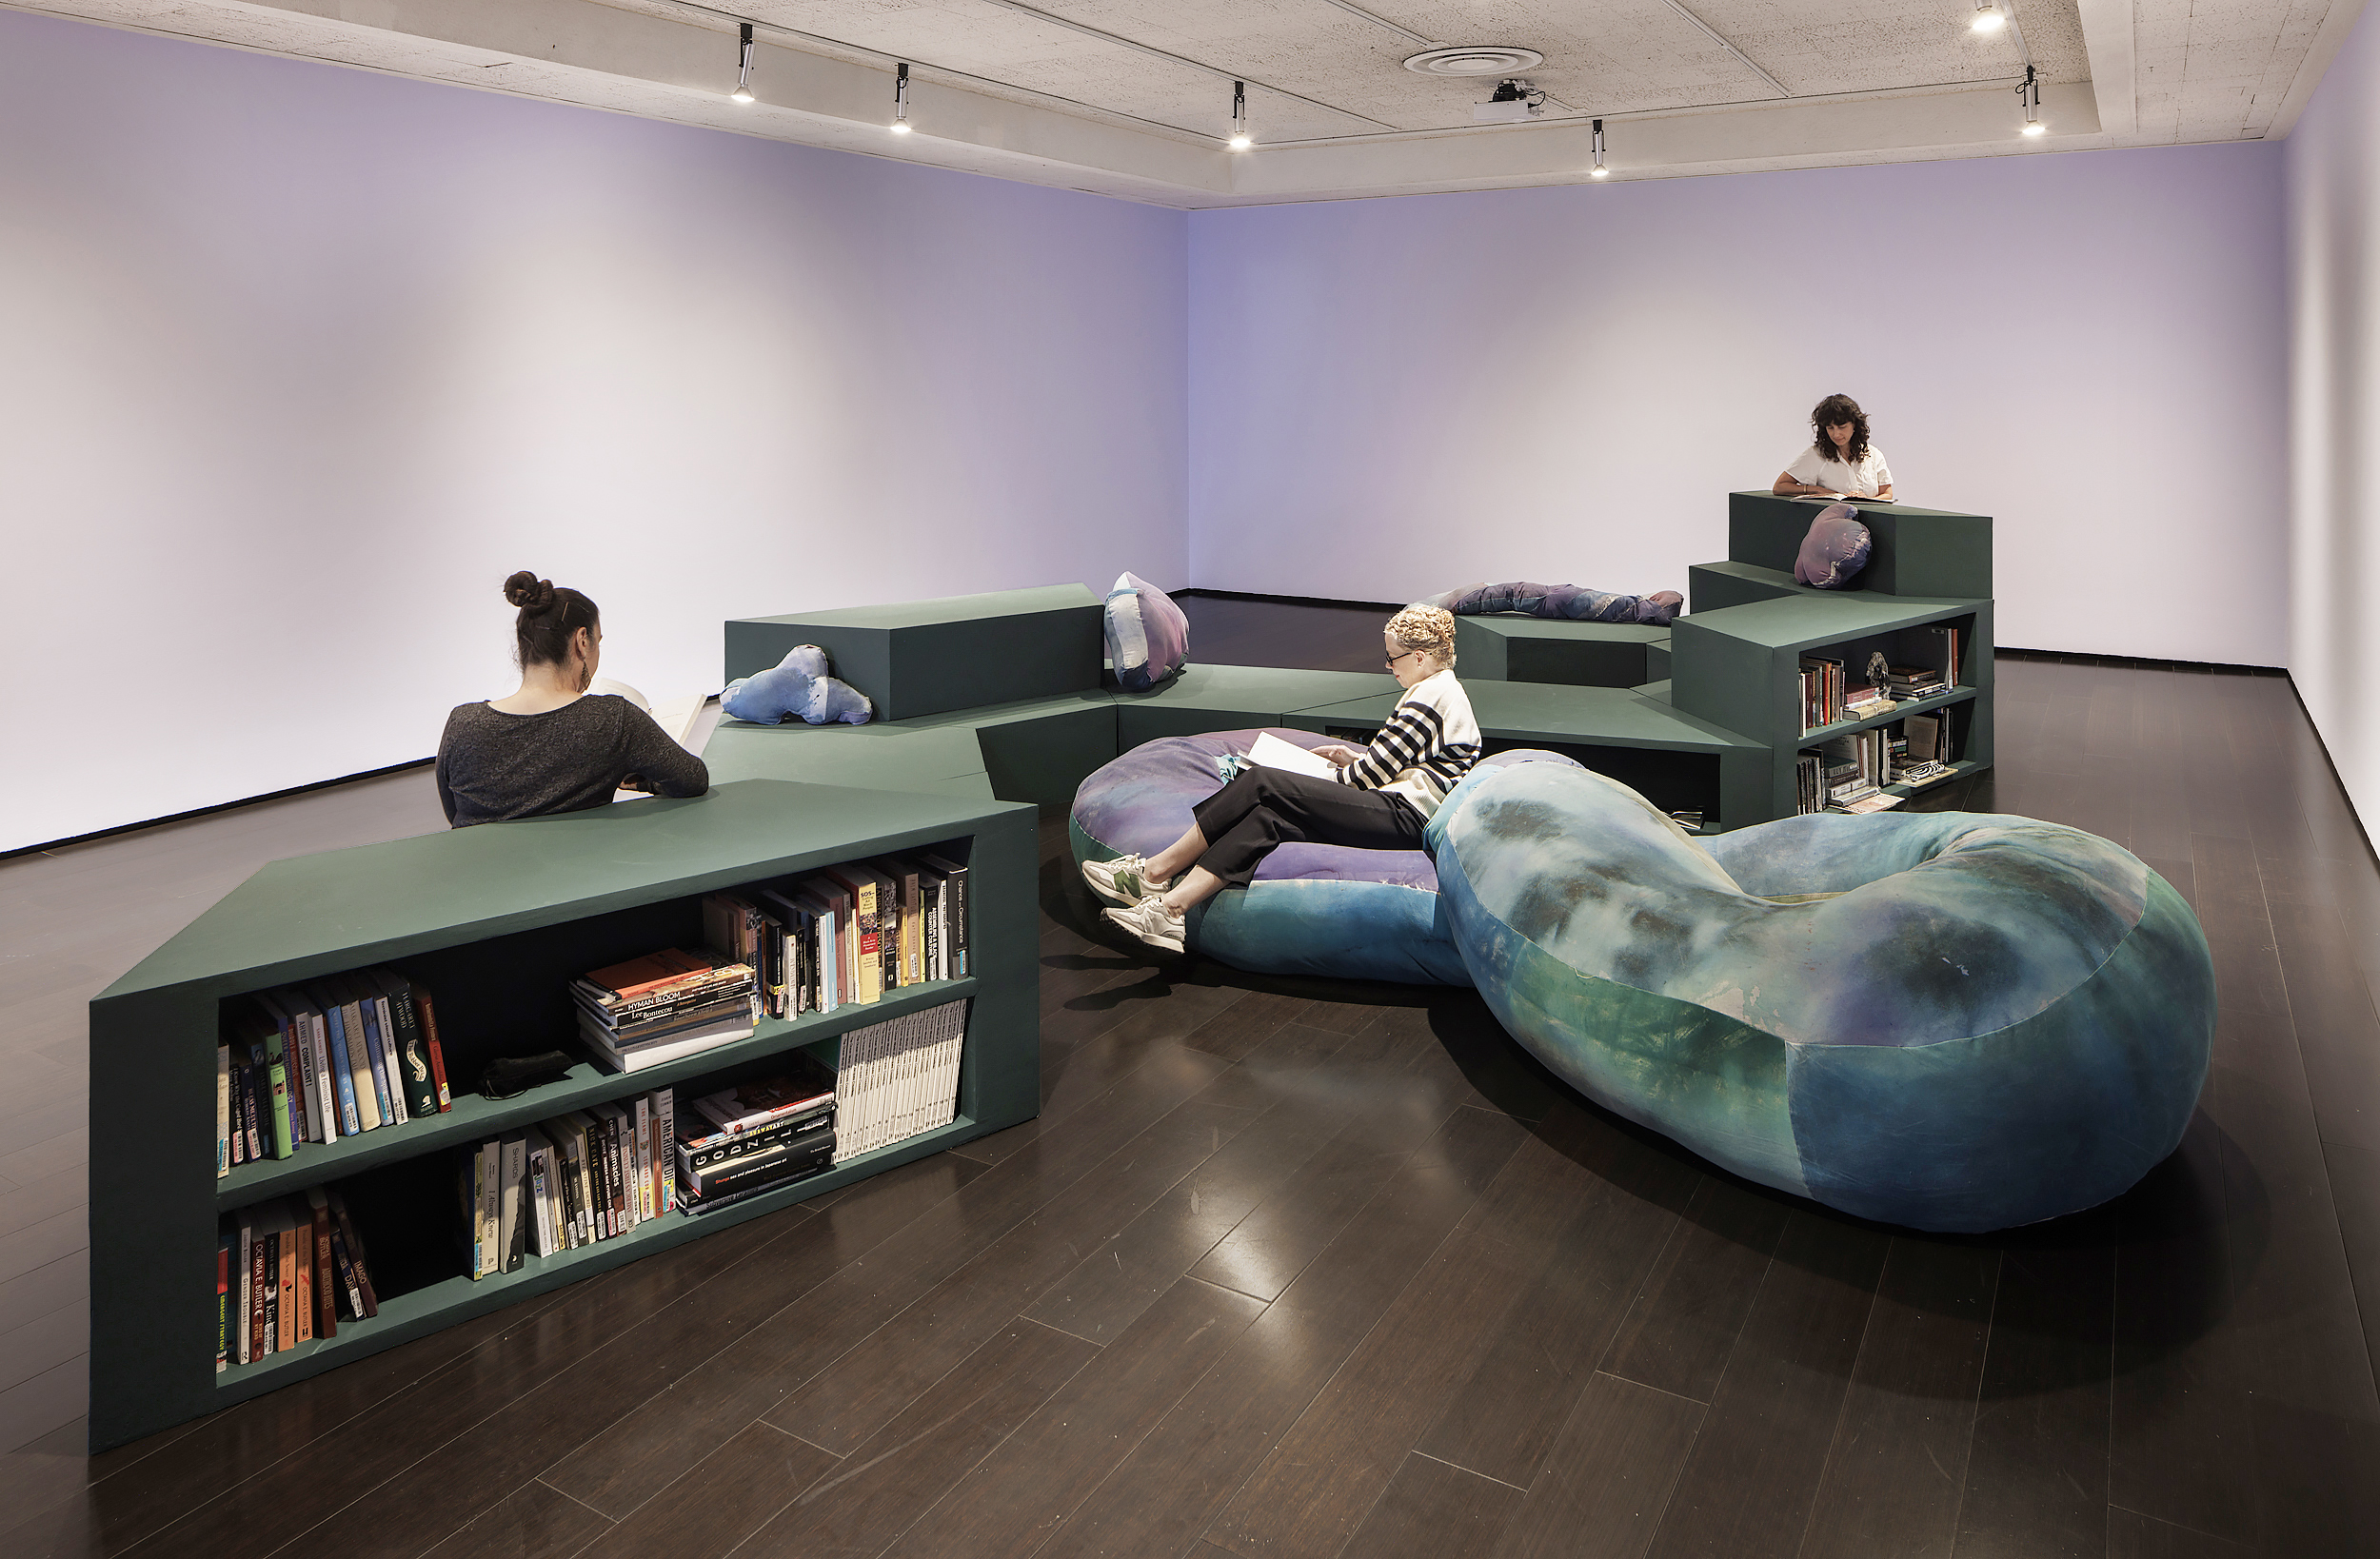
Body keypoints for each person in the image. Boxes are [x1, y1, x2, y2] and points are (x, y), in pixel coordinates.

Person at [1086, 603, 1480, 954]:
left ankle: (1154, 872)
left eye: (1393, 658)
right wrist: (1353, 757)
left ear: (1421, 657)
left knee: (1262, 783)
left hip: (1403, 815)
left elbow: (1363, 781)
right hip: (1400, 808)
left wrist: (1320, 775)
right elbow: (1402, 762)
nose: (1389, 666)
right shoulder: (1443, 690)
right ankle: (1170, 912)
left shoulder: (1428, 696)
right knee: (1268, 819)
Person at [435, 571, 709, 827]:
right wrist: (647, 783)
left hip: (482, 875)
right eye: (597, 642)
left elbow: (454, 815)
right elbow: (692, 779)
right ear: (582, 641)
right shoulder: (614, 720)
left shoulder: (463, 724)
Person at [1774, 393, 1894, 502]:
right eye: (1830, 428)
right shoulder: (1816, 454)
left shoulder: (1873, 454)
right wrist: (1816, 490)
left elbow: (1887, 494)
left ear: (1854, 425)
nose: (1836, 434)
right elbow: (1779, 486)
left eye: (1842, 427)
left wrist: (1866, 500)